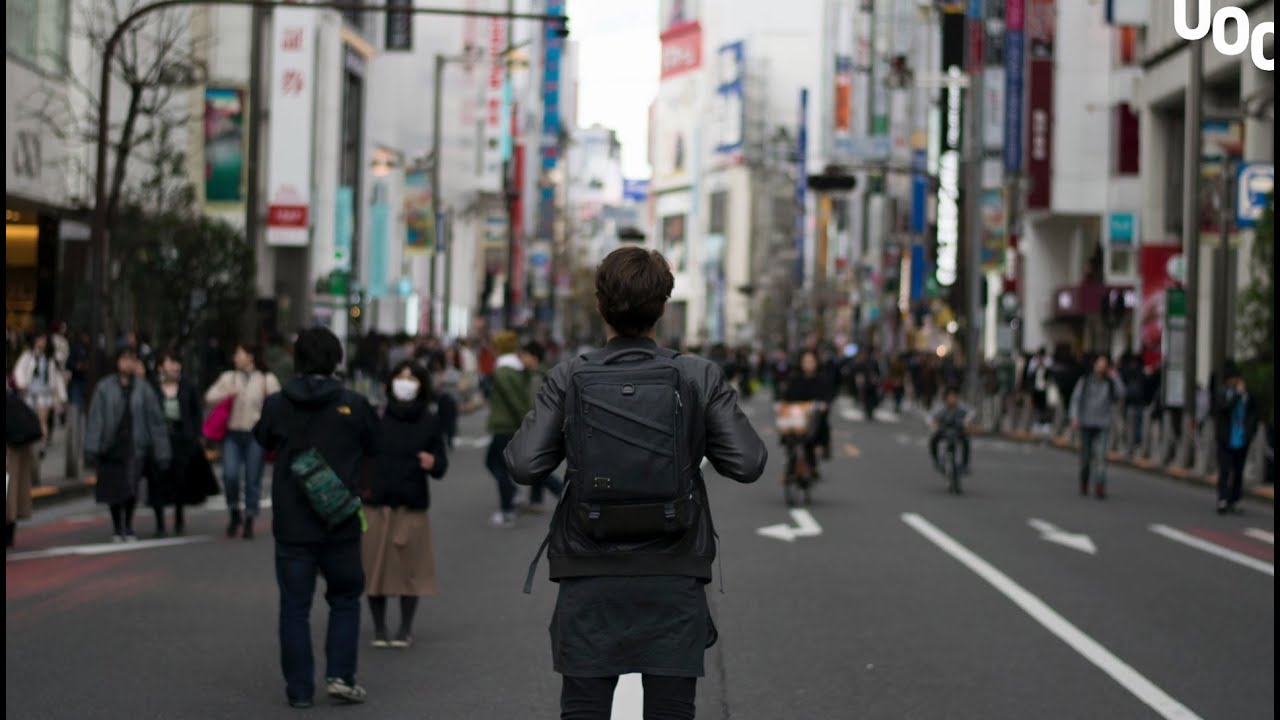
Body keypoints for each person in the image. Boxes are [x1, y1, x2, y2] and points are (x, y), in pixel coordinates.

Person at [504, 246, 768, 720]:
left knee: (583, 710)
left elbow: (524, 464)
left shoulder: (569, 376)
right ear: (663, 308)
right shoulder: (697, 375)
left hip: (588, 571)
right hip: (674, 571)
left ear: (599, 305)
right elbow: (747, 462)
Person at [252, 327, 378, 708]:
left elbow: (263, 439)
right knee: (345, 598)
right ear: (336, 360)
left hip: (292, 522)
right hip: (339, 518)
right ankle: (340, 675)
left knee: (295, 607)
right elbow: (375, 446)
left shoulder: (277, 404)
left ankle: (299, 690)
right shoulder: (355, 405)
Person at [363, 361, 449, 648]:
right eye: (400, 377)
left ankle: (405, 628)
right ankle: (379, 628)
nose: (405, 383)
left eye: (412, 378)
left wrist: (433, 462)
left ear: (421, 385)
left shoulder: (429, 420)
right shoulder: (376, 416)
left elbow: (441, 464)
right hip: (376, 504)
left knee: (410, 570)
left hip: (412, 504)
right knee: (374, 567)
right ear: (389, 383)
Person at [85, 348, 171, 542]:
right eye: (124, 358)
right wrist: (92, 446)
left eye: (132, 359)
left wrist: (162, 450)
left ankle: (129, 524)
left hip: (135, 444)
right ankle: (117, 526)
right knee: (113, 487)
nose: (128, 363)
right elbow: (96, 418)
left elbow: (155, 421)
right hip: (111, 445)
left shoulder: (143, 388)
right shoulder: (104, 387)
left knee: (132, 485)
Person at [205, 341, 281, 539]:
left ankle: (249, 517)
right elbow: (209, 397)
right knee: (229, 475)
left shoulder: (266, 379)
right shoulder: (229, 377)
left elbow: (279, 404)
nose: (236, 358)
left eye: (239, 354)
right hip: (232, 433)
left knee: (252, 478)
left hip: (255, 435)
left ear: (250, 356)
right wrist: (227, 393)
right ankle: (234, 511)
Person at [150, 349, 218, 537]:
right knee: (158, 479)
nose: (175, 366)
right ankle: (160, 522)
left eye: (177, 362)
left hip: (182, 438)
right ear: (160, 367)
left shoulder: (188, 386)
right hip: (159, 438)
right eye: (171, 362)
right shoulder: (151, 388)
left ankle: (179, 517)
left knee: (180, 478)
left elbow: (196, 412)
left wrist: (197, 435)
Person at [484, 330, 528, 528]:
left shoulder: (503, 371)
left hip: (504, 425)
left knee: (496, 465)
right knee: (496, 464)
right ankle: (512, 496)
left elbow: (513, 400)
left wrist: (526, 424)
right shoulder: (516, 369)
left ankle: (508, 509)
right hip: (510, 424)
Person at [1070, 354, 1125, 499]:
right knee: (1086, 458)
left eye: (1104, 364)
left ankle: (1100, 486)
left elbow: (1121, 393)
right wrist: (1075, 417)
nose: (1101, 367)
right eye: (1099, 364)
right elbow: (1076, 399)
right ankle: (1084, 481)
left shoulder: (1110, 383)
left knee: (1101, 456)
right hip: (1086, 422)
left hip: (1103, 423)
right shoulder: (1085, 381)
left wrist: (1115, 377)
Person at [519, 340, 564, 512]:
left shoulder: (539, 376)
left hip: (541, 427)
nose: (521, 359)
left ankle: (563, 492)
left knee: (536, 466)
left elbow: (535, 404)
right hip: (541, 426)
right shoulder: (534, 374)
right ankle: (536, 501)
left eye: (524, 355)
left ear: (534, 357)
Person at [780, 349, 835, 478]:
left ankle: (814, 461)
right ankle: (790, 464)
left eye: (811, 361)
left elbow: (827, 397)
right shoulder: (795, 379)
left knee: (815, 432)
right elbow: (787, 396)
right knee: (789, 435)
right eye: (805, 361)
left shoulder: (821, 379)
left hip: (814, 417)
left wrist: (824, 405)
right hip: (797, 417)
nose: (808, 364)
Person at [12, 333, 67, 458]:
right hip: (29, 393)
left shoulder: (50, 359)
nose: (41, 342)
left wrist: (61, 398)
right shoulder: (28, 356)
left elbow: (57, 377)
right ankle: (31, 443)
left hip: (45, 394)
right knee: (29, 420)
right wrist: (22, 384)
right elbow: (19, 371)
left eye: (43, 340)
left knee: (42, 421)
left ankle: (42, 445)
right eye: (39, 339)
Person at [1214, 364, 1259, 515]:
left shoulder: (1248, 395)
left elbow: (1254, 413)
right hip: (1226, 438)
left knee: (1239, 470)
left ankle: (1235, 500)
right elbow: (1224, 408)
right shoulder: (1222, 392)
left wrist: (1251, 431)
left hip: (1242, 437)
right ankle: (1222, 499)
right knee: (1225, 469)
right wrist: (1237, 395)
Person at [7, 385, 42, 548]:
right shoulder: (13, 397)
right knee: (13, 490)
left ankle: (9, 533)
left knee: (10, 491)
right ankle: (9, 534)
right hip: (18, 445)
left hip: (11, 448)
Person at [929, 387, 974, 474]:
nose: (952, 399)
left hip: (958, 431)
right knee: (933, 440)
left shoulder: (962, 408)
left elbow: (971, 413)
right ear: (946, 398)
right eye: (950, 397)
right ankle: (936, 460)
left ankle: (964, 464)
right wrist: (933, 424)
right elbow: (931, 417)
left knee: (966, 442)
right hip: (944, 430)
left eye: (954, 397)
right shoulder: (941, 408)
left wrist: (967, 423)